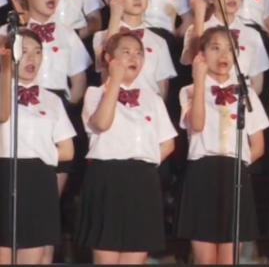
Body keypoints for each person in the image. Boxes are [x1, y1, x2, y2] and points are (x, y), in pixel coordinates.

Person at [77, 32, 177, 264]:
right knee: (106, 254)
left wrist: (142, 164)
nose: (134, 58)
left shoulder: (153, 99)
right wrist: (114, 81)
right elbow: (102, 123)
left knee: (136, 254)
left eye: (139, 53)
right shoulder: (94, 94)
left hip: (143, 180)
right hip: (107, 178)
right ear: (109, 58)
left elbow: (168, 143)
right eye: (126, 52)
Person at [178, 27, 269, 264]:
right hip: (202, 172)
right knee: (205, 258)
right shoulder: (188, 91)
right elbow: (197, 124)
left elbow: (258, 145)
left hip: (235, 173)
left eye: (230, 49)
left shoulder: (246, 93)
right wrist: (199, 81)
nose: (223, 55)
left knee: (229, 258)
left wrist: (238, 166)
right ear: (202, 55)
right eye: (215, 48)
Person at [0, 30, 76, 265]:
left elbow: (68, 150)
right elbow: (3, 115)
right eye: (23, 51)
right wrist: (5, 71)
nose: (31, 58)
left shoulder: (52, 100)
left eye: (37, 52)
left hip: (39, 179)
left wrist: (39, 154)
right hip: (4, 173)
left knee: (31, 254)